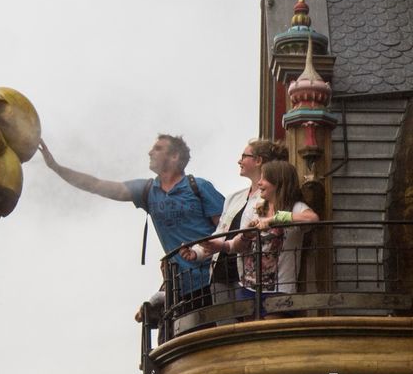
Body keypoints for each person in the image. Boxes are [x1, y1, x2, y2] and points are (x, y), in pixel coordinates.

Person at [39, 134, 224, 312]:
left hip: (215, 279)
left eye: (158, 149)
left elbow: (228, 225)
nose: (150, 152)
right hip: (180, 287)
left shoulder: (198, 186)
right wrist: (56, 167)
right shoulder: (148, 190)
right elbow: (97, 185)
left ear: (175, 156)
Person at [179, 139, 288, 309]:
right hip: (220, 274)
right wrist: (197, 252)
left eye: (244, 156)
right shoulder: (233, 198)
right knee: (225, 327)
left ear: (258, 160)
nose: (239, 161)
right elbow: (220, 232)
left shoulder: (271, 197)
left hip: (248, 276)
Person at [223, 160, 319, 317]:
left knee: (269, 335)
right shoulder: (256, 209)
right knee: (249, 336)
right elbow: (239, 244)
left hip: (279, 291)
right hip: (247, 287)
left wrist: (275, 219)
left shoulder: (296, 207)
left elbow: (312, 218)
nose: (259, 183)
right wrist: (246, 234)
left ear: (278, 182)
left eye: (264, 178)